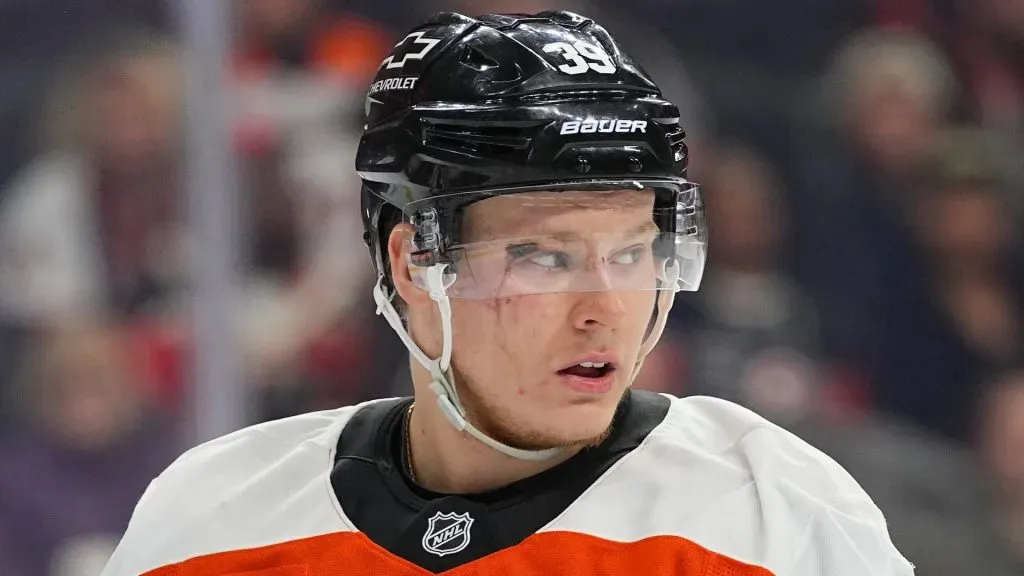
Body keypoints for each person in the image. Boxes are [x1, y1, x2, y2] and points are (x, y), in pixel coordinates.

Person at [101, 11, 914, 575]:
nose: (604, 307)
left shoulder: (771, 516)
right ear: (415, 263)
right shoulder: (209, 522)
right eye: (546, 258)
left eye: (632, 253)